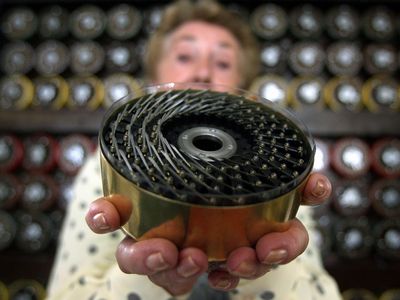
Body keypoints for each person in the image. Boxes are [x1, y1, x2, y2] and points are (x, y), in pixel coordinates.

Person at [46, 1, 342, 299]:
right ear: (154, 76)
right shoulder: (102, 170)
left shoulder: (281, 179)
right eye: (185, 56)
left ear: (243, 84)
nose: (202, 72)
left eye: (223, 63)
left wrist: (266, 265)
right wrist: (149, 280)